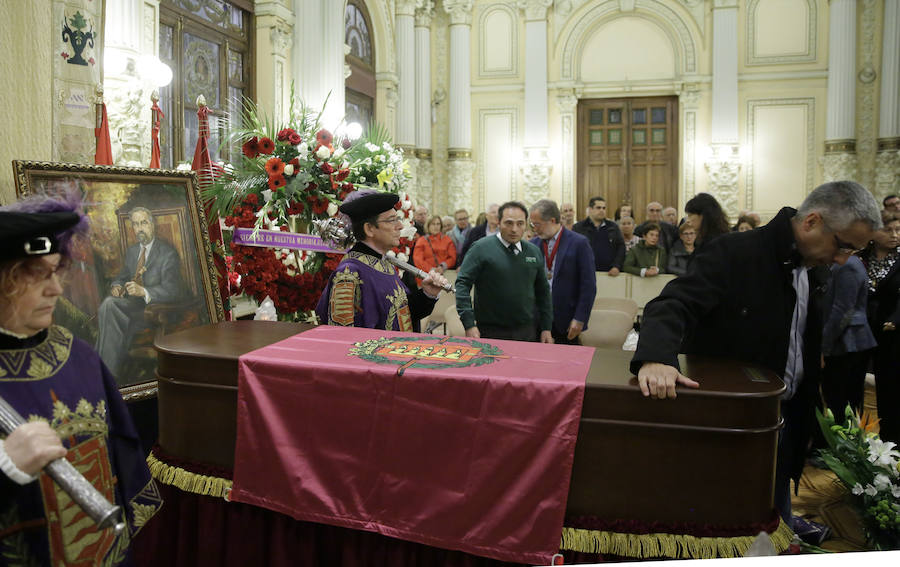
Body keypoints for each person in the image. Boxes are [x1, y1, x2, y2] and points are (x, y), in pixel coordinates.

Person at [631, 180, 881, 525]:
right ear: (812, 222)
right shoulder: (735, 252)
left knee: (771, 518)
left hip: (787, 418)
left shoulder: (817, 266)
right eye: (842, 247)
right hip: (732, 425)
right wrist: (657, 357)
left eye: (852, 252)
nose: (842, 260)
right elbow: (672, 304)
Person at [0, 195, 161, 566]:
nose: (56, 289)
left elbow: (122, 451)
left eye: (56, 271)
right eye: (36, 276)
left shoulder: (80, 355)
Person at [316, 190, 449, 331]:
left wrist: (427, 294)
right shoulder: (349, 273)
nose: (400, 226)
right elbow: (342, 333)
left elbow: (402, 315)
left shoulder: (383, 264)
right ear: (369, 229)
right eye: (392, 220)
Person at [96, 206, 183, 377]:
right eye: (135, 224)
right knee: (109, 304)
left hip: (156, 312)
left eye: (143, 222)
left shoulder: (167, 253)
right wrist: (117, 286)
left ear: (152, 225)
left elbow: (173, 290)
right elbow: (122, 276)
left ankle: (104, 373)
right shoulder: (133, 251)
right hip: (132, 308)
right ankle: (104, 372)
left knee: (109, 307)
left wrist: (144, 291)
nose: (140, 228)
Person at [455, 201, 553, 343]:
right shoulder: (480, 248)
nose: (514, 229)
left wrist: (546, 327)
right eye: (508, 223)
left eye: (520, 224)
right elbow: (462, 285)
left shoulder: (533, 251)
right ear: (498, 222)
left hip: (526, 331)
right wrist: (469, 324)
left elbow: (543, 292)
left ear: (526, 225)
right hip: (489, 331)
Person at [528, 200, 596, 345]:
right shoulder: (533, 245)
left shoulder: (579, 243)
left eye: (537, 224)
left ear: (552, 220)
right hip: (537, 321)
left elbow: (588, 286)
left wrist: (580, 318)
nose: (534, 229)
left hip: (566, 321)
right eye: (532, 224)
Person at [859, 210, 900, 443]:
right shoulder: (862, 257)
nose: (894, 235)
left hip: (892, 333)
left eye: (898, 230)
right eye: (888, 230)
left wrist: (895, 319)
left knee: (891, 390)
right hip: (863, 332)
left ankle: (893, 444)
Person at [820, 255, 876, 424]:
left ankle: (846, 447)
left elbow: (843, 311)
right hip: (845, 341)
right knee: (841, 402)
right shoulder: (845, 263)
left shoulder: (848, 265)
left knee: (843, 405)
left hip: (848, 341)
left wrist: (823, 347)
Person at [573, 196, 625, 275]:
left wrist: (616, 266)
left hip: (609, 273)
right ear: (590, 209)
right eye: (598, 208)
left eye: (604, 208)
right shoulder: (578, 228)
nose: (602, 210)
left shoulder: (613, 227)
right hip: (585, 272)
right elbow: (573, 249)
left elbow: (621, 247)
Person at [413, 215, 457, 282]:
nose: (436, 226)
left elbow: (452, 257)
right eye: (433, 224)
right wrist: (431, 269)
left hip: (443, 276)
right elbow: (418, 260)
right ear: (428, 226)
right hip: (426, 277)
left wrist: (443, 266)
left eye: (438, 224)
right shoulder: (421, 241)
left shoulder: (447, 240)